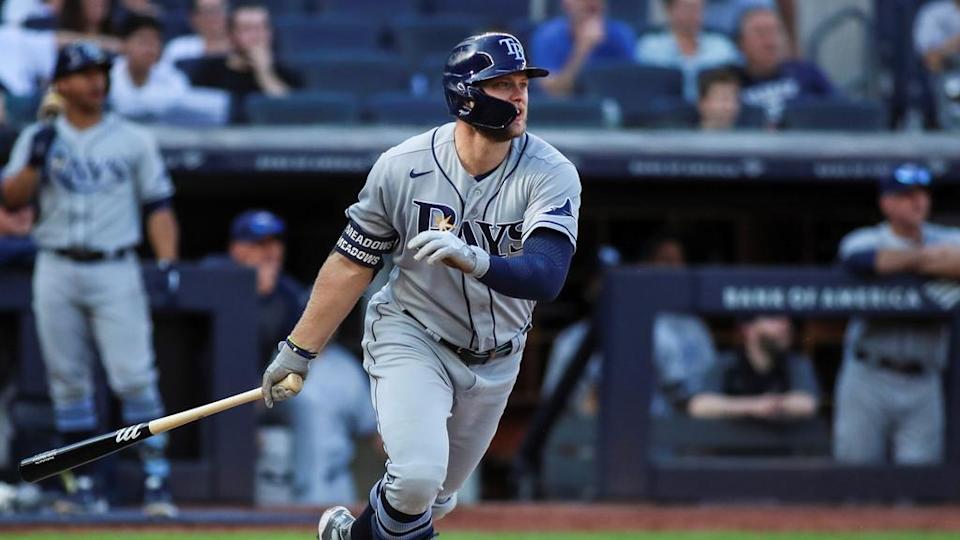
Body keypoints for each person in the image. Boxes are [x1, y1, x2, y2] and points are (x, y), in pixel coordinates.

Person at [258, 32, 580, 540]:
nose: (519, 96)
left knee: (430, 502)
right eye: (502, 84)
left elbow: (547, 275)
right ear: (466, 95)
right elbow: (351, 264)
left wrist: (476, 260)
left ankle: (347, 537)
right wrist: (299, 350)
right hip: (414, 335)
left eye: (523, 84)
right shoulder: (402, 166)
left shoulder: (550, 172)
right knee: (415, 480)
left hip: (498, 356)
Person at [0, 41, 180, 516]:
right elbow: (13, 200)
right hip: (55, 264)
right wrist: (36, 154)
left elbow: (158, 207)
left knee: (134, 378)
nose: (96, 81)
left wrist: (167, 264)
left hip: (115, 266)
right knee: (68, 382)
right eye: (83, 74)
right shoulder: (39, 136)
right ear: (60, 84)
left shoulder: (133, 138)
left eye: (101, 71)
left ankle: (156, 483)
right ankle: (84, 487)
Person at [834, 163, 960, 465]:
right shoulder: (865, 238)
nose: (919, 201)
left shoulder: (949, 236)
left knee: (918, 486)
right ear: (886, 203)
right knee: (856, 478)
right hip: (868, 374)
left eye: (922, 193)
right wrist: (930, 261)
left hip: (924, 379)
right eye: (906, 195)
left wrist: (900, 264)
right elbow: (859, 261)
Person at [184, 2, 301, 123]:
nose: (256, 36)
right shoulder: (207, 72)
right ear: (231, 35)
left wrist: (264, 72)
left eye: (262, 28)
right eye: (247, 29)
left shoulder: (288, 74)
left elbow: (290, 115)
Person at [687, 315, 819, 420]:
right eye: (773, 319)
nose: (785, 326)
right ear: (748, 329)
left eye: (786, 319)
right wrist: (753, 406)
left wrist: (770, 405)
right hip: (731, 449)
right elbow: (699, 406)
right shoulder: (726, 363)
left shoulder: (796, 363)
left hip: (780, 449)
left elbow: (807, 403)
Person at [109, 14, 228, 125]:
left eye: (154, 42)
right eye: (143, 41)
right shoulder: (108, 76)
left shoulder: (172, 79)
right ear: (124, 45)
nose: (149, 49)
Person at [735, 7, 834, 127]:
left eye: (775, 32)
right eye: (760, 33)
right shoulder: (729, 81)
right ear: (740, 43)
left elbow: (841, 109)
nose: (770, 42)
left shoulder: (806, 72)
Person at [636, 0, 739, 102]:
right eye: (688, 7)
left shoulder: (722, 46)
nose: (694, 13)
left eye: (699, 8)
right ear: (669, 10)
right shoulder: (651, 47)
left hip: (715, 113)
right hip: (667, 114)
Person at [530, 0, 636, 97]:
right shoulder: (548, 36)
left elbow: (631, 88)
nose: (592, 3)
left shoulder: (621, 35)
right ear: (566, 3)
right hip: (568, 112)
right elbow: (553, 92)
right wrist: (582, 50)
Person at [914, 0, 960, 129]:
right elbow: (928, 53)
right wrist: (952, 45)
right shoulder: (935, 12)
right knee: (934, 62)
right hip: (948, 69)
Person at [160, 0, 230, 67]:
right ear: (193, 17)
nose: (214, 16)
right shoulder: (178, 49)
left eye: (219, 10)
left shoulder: (239, 45)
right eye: (207, 11)